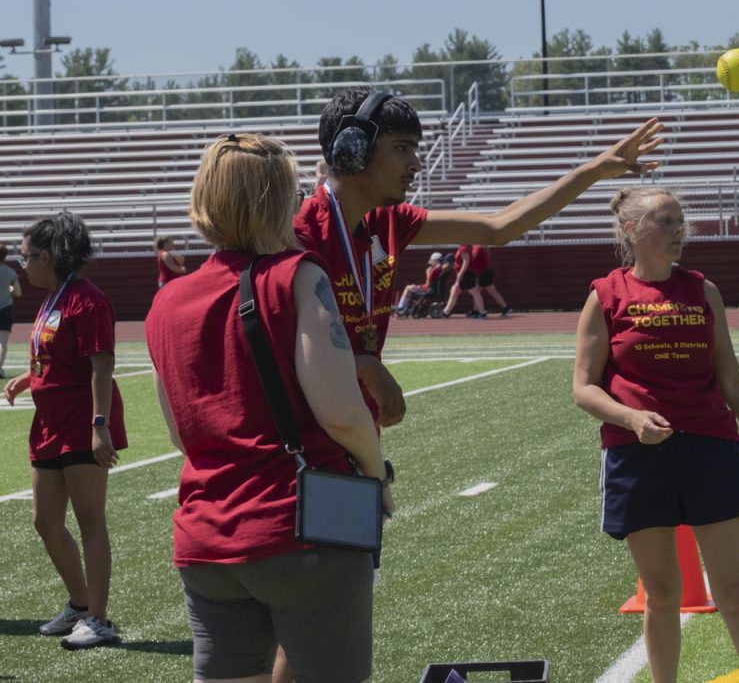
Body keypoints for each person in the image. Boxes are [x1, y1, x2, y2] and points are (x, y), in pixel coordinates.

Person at [280, 86, 662, 682]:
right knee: (312, 628)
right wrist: (361, 362)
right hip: (305, 450)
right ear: (353, 150)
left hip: (353, 448)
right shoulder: (300, 229)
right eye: (403, 148)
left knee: (326, 624)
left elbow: (499, 225)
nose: (416, 162)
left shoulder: (384, 221)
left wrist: (595, 169)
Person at [146, 133, 395, 683]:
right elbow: (342, 413)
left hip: (205, 537)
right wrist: (377, 478)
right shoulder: (298, 275)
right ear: (278, 198)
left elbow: (178, 434)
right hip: (303, 524)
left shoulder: (165, 300)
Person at [573, 187, 739, 683]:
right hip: (637, 456)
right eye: (666, 221)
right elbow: (584, 389)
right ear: (632, 231)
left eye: (681, 221)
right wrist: (632, 419)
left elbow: (732, 378)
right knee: (661, 595)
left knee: (736, 594)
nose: (680, 231)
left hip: (713, 451)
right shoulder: (605, 294)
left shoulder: (702, 289)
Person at [3, 212, 126, 649]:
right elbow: (57, 355)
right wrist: (28, 377)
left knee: (90, 520)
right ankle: (78, 604)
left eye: (26, 257)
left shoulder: (87, 300)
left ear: (51, 255)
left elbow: (102, 365)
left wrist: (99, 425)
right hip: (50, 422)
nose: (22, 265)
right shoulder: (54, 297)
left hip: (81, 421)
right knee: (45, 521)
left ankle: (99, 618)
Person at [441, 244, 486, 318]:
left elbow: (466, 262)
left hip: (466, 274)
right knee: (455, 290)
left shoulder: (464, 248)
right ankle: (446, 312)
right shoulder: (464, 247)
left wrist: (460, 274)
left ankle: (482, 312)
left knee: (473, 292)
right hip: (467, 273)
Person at [467, 244, 512, 317]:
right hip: (485, 272)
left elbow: (472, 258)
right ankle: (475, 310)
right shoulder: (479, 247)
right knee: (478, 292)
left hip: (484, 273)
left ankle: (505, 308)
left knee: (479, 292)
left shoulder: (477, 247)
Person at [394, 252, 442, 317]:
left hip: (427, 288)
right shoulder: (438, 269)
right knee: (410, 287)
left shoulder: (434, 270)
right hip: (428, 287)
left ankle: (401, 307)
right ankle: (403, 307)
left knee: (408, 288)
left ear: (435, 261)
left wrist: (427, 272)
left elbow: (429, 282)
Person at [0, 243, 22, 378]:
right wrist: (9, 289)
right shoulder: (10, 272)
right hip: (5, 309)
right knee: (2, 342)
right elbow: (17, 293)